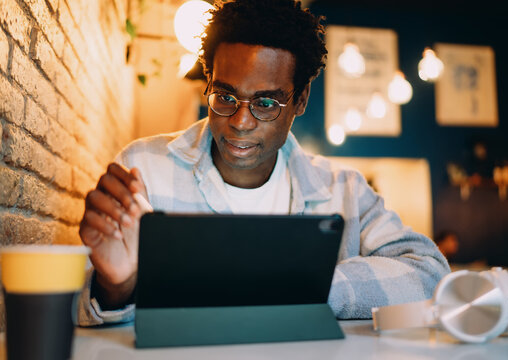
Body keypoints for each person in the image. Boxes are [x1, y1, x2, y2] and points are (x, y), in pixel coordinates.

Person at [77, 0, 450, 326]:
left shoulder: (344, 190)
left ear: (300, 100)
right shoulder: (144, 169)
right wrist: (115, 286)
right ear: (208, 81)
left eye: (266, 103)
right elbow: (81, 316)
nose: (240, 121)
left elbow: (429, 271)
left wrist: (303, 286)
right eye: (224, 96)